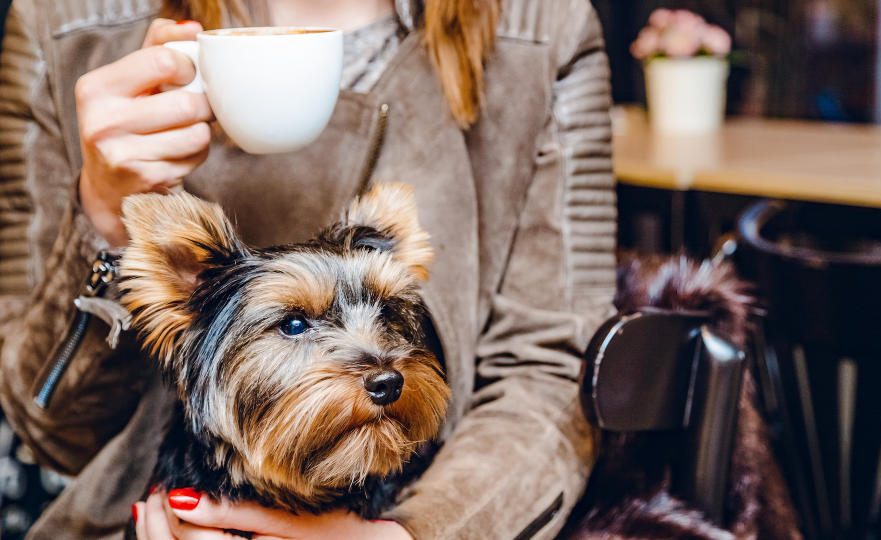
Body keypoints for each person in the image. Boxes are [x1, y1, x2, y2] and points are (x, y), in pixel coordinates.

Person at [0, 0, 617, 537]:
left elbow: (554, 377)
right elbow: (51, 432)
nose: (378, 371)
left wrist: (414, 535)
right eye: (296, 324)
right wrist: (103, 215)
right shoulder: (68, 23)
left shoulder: (543, 28)